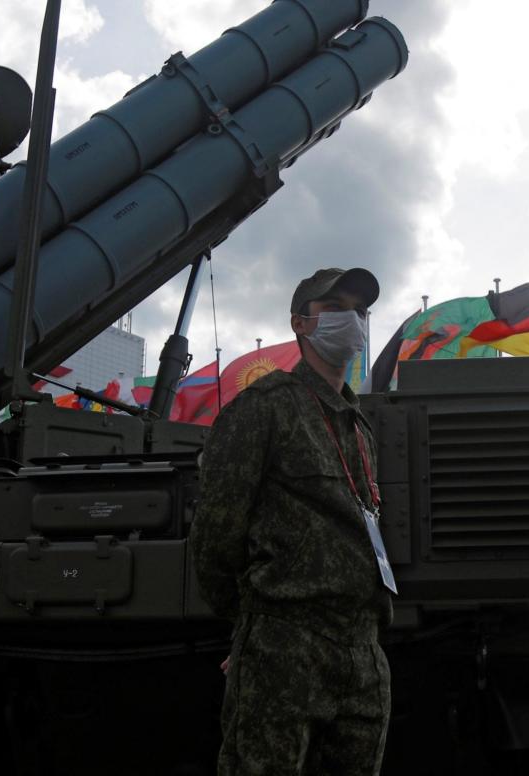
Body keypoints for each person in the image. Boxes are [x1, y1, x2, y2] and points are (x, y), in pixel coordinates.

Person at [190, 267, 395, 776]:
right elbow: (217, 532)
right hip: (285, 643)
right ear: (301, 324)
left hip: (364, 649)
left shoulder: (360, 424)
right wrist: (253, 630)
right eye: (336, 309)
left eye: (361, 311)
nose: (353, 321)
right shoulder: (262, 408)